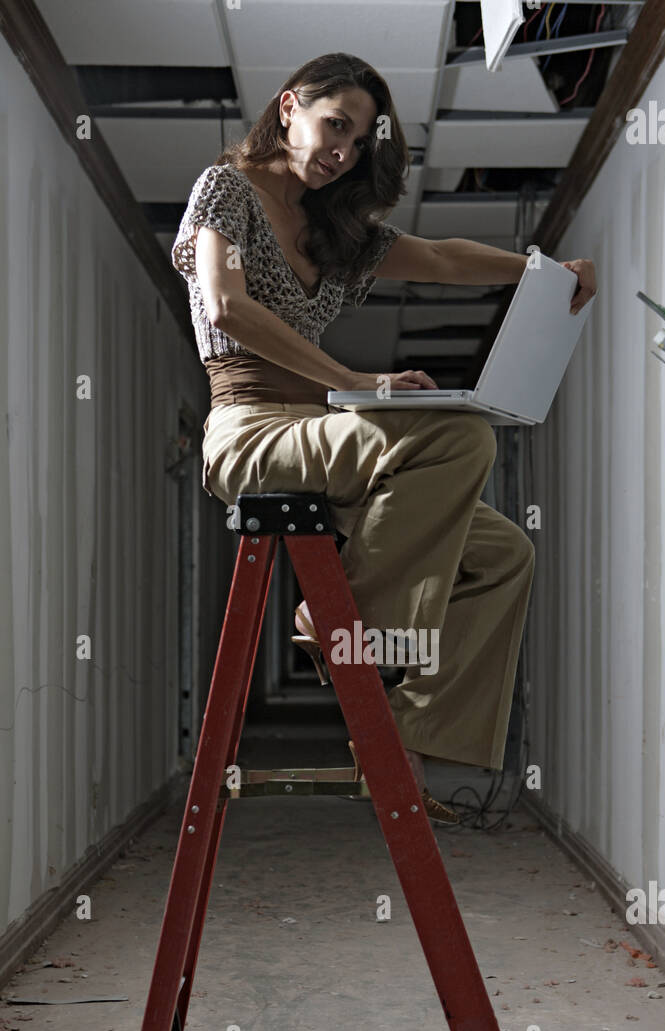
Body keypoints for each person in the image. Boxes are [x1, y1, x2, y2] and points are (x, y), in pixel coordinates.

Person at [171, 52, 596, 823]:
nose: (344, 149)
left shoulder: (335, 228)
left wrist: (544, 274)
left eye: (360, 140)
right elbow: (228, 307)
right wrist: (359, 382)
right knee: (458, 440)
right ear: (290, 104)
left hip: (322, 432)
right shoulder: (225, 190)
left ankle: (408, 732)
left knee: (505, 556)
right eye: (336, 124)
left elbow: (438, 258)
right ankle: (348, 626)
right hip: (249, 430)